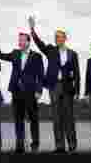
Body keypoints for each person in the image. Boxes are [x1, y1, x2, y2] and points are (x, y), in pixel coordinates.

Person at [29, 16, 80, 153]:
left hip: (68, 88)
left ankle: (72, 145)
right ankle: (59, 146)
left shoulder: (72, 54)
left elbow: (77, 74)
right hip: (54, 87)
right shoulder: (51, 50)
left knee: (69, 117)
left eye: (59, 37)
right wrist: (32, 30)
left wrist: (77, 92)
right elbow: (40, 44)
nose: (57, 39)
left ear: (65, 38)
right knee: (56, 117)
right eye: (55, 37)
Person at [0, 28, 44, 153]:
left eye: (22, 40)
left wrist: (39, 91)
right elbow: (1, 56)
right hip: (16, 91)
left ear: (28, 42)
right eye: (19, 40)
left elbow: (40, 75)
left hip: (31, 92)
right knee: (18, 119)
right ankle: (19, 145)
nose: (20, 42)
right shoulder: (15, 53)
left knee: (33, 119)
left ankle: (35, 144)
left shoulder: (37, 56)